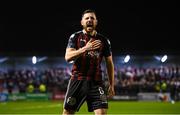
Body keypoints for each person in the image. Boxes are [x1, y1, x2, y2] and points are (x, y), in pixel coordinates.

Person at [62, 9, 115, 115]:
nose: (89, 20)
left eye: (92, 18)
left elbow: (109, 63)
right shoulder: (75, 37)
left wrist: (111, 84)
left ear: (96, 22)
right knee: (67, 113)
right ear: (82, 22)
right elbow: (68, 57)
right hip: (78, 80)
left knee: (102, 113)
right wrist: (85, 48)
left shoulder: (104, 40)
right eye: (87, 18)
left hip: (97, 82)